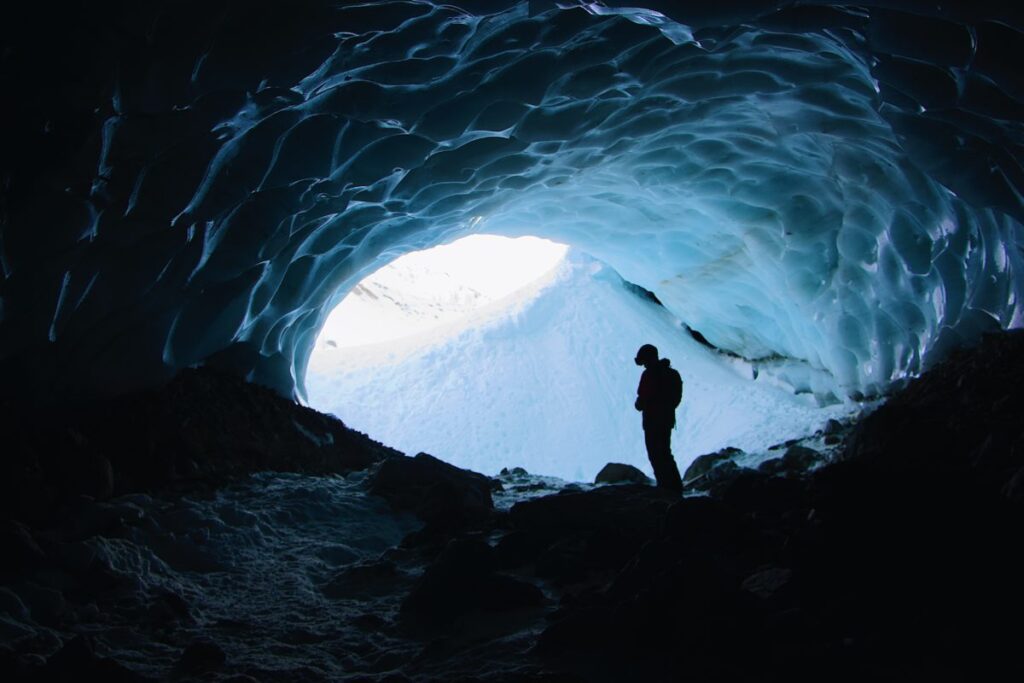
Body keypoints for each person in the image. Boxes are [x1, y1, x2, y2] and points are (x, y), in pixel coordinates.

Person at [634, 343, 683, 493]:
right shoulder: (672, 374)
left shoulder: (648, 375)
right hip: (666, 420)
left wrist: (644, 403)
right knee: (665, 453)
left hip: (651, 421)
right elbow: (676, 399)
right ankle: (675, 486)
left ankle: (665, 486)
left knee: (655, 454)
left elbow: (640, 402)